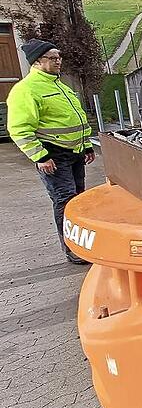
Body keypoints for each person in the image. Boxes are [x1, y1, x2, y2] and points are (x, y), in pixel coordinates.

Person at [7, 39, 94, 264]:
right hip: (53, 155)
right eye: (52, 58)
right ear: (37, 61)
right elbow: (19, 129)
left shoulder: (59, 85)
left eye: (59, 57)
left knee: (78, 199)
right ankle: (72, 248)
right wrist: (40, 156)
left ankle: (81, 243)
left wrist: (86, 145)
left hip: (74, 152)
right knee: (65, 200)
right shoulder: (26, 90)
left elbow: (76, 119)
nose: (58, 61)